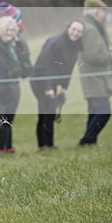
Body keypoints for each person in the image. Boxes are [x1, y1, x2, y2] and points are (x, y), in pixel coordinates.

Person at [30, 20, 85, 149]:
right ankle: (44, 145)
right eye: (74, 29)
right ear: (68, 28)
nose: (75, 33)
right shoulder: (56, 41)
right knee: (46, 112)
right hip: (40, 80)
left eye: (79, 31)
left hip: (52, 81)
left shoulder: (75, 45)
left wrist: (65, 87)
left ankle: (49, 144)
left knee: (50, 111)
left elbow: (69, 68)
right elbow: (44, 64)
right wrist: (48, 87)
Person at [77, 0, 112, 147]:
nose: (104, 14)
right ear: (95, 12)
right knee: (104, 111)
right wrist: (111, 56)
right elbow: (94, 56)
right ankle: (87, 140)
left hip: (94, 77)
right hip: (95, 78)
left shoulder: (90, 27)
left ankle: (90, 142)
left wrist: (107, 50)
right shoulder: (91, 30)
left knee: (94, 111)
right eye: (102, 10)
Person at [0, 16, 31, 154]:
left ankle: (6, 147)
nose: (10, 33)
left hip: (13, 84)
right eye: (7, 29)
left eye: (12, 30)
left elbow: (25, 65)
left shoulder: (16, 44)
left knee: (9, 117)